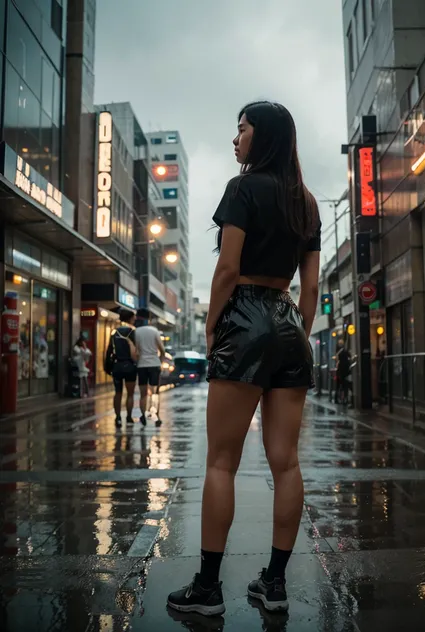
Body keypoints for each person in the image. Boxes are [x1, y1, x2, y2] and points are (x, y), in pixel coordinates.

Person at [167, 101, 321, 616]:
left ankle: (208, 589)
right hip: (289, 322)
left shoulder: (243, 188)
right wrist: (298, 330)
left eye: (242, 129)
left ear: (265, 137)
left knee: (221, 461)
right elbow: (312, 285)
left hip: (246, 316)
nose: (235, 139)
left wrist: (214, 325)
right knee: (287, 461)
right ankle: (274, 583)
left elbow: (227, 269)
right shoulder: (307, 202)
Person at [105, 309, 137, 428]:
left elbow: (109, 350)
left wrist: (108, 367)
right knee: (130, 394)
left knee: (117, 393)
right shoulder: (132, 332)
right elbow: (135, 350)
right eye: (134, 318)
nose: (135, 319)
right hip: (130, 366)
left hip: (117, 366)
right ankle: (129, 417)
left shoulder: (115, 332)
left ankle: (117, 418)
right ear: (130, 318)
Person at [134, 308, 166, 427]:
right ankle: (156, 416)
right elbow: (162, 350)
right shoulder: (154, 331)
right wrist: (160, 362)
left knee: (143, 394)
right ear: (150, 318)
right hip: (154, 364)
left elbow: (136, 352)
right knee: (155, 393)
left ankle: (143, 415)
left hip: (142, 365)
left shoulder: (136, 332)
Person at [335, 340, 351, 405]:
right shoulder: (345, 352)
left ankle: (337, 399)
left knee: (338, 386)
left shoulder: (338, 353)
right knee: (345, 386)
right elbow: (350, 357)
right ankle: (344, 399)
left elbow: (336, 360)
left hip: (339, 372)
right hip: (345, 373)